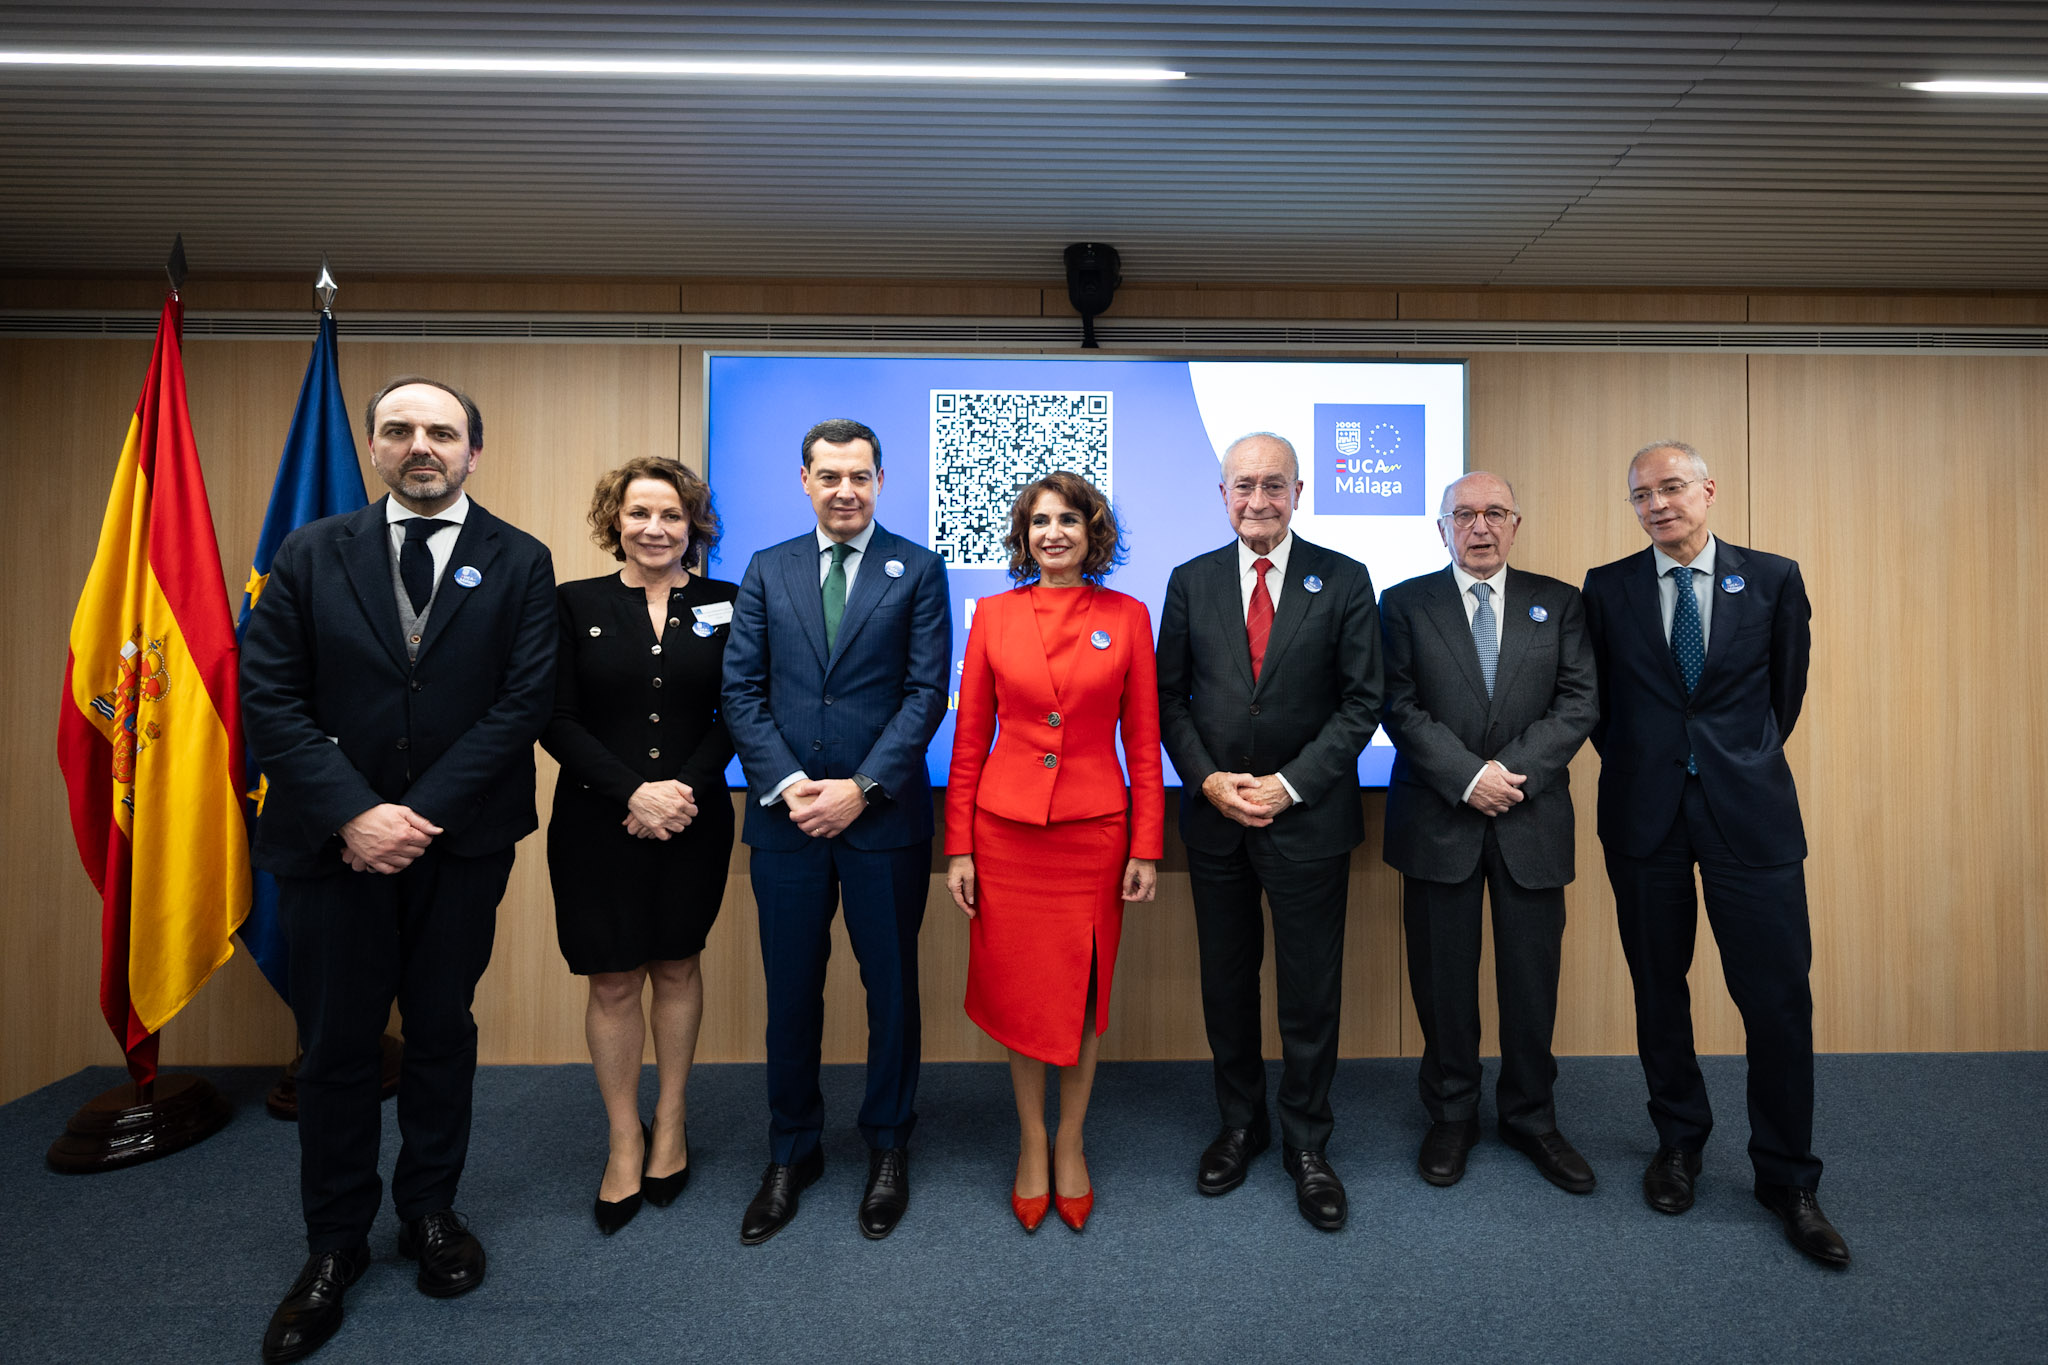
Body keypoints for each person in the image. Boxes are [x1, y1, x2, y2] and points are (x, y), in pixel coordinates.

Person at [241, 377, 556, 1362]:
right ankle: (333, 1245)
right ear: (375, 447)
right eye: (399, 429)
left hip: (456, 846)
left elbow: (521, 704)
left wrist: (414, 817)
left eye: (441, 431)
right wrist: (355, 813)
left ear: (472, 450)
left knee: (438, 1031)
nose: (420, 445)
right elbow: (268, 696)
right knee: (335, 1048)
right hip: (331, 849)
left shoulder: (520, 559)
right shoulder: (307, 553)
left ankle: (429, 1212)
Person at [1582, 439, 1849, 1267]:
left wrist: (1730, 759)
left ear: (1708, 491)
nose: (1658, 504)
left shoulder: (1772, 577)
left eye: (1671, 488)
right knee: (1659, 989)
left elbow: (1784, 692)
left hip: (1751, 816)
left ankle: (1787, 1176)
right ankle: (1680, 1143)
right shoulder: (1608, 587)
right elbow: (1599, 705)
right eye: (1641, 495)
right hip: (1645, 814)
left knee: (1777, 1000)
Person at [720, 418, 951, 1245]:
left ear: (881, 480)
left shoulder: (918, 569)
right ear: (805, 480)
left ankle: (888, 1144)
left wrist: (857, 789)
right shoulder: (765, 567)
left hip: (882, 821)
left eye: (860, 475)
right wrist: (789, 786)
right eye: (830, 476)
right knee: (791, 992)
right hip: (786, 825)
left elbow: (926, 695)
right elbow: (740, 691)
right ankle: (793, 1149)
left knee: (890, 992)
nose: (845, 489)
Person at [1156, 431, 1383, 1232]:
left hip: (1308, 821)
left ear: (1298, 491)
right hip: (1216, 822)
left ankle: (1308, 1141)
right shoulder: (1190, 582)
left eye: (1274, 485)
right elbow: (1168, 700)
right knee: (1227, 984)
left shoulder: (1346, 579)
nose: (1259, 499)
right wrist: (1210, 780)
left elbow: (1363, 702)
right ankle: (1240, 1123)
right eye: (1244, 485)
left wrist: (1288, 786)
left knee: (1310, 992)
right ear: (1222, 494)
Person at [944, 472, 1163, 1234]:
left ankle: (1072, 1139)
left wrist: (1147, 843)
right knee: (1022, 992)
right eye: (1040, 521)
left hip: (1094, 833)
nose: (1054, 533)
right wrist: (959, 849)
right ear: (1024, 534)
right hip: (1005, 835)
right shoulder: (994, 617)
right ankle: (1032, 1141)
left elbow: (1143, 739)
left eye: (1069, 519)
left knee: (1082, 991)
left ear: (1092, 531)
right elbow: (969, 738)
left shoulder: (1128, 616)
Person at [1378, 472, 1599, 1193]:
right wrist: (1468, 776)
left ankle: (1532, 1116)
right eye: (1464, 514)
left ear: (1516, 522)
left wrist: (1508, 773)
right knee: (1442, 982)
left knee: (1532, 982)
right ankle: (1451, 1113)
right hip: (1439, 818)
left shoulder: (1559, 601)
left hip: (1530, 818)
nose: (1480, 526)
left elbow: (1578, 703)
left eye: (1494, 513)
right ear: (1440, 526)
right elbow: (1397, 706)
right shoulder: (1404, 603)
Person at [540, 457, 735, 1235]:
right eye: (639, 513)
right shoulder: (570, 603)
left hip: (694, 816)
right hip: (598, 820)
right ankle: (625, 1134)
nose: (655, 528)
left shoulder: (728, 602)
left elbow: (737, 707)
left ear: (695, 525)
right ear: (613, 519)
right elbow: (553, 717)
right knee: (614, 979)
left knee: (678, 963)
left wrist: (677, 791)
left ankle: (673, 1120)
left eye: (672, 515)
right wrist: (634, 793)